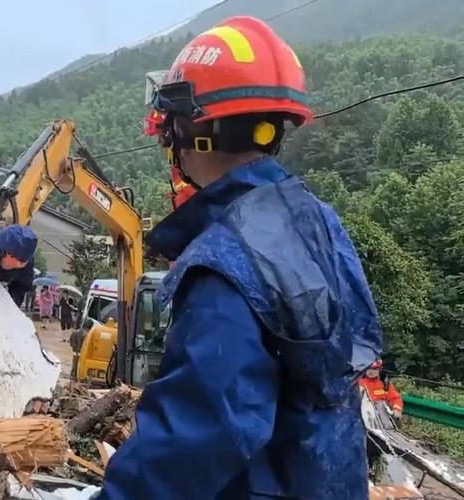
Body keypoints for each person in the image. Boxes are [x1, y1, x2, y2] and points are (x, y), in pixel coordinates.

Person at [98, 16, 382, 499]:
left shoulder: (223, 261)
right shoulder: (318, 222)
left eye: (171, 124)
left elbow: (196, 438)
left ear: (190, 129)